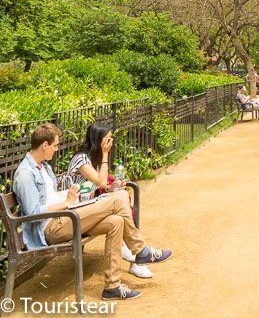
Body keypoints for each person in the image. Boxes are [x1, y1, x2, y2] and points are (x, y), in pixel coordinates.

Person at [13, 123, 173, 301]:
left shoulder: (44, 167)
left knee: (116, 222)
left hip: (65, 217)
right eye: (55, 145)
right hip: (50, 228)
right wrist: (66, 203)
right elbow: (33, 212)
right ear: (44, 145)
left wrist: (68, 196)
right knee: (119, 197)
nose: (57, 150)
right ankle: (141, 250)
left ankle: (112, 287)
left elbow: (49, 197)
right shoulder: (26, 174)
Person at [67, 122, 151, 280]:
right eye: (107, 140)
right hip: (75, 213)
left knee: (121, 203)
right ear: (97, 140)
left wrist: (112, 188)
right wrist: (105, 155)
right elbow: (100, 182)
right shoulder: (81, 159)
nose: (110, 143)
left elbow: (103, 184)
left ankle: (135, 255)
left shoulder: (93, 158)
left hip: (87, 207)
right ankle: (136, 253)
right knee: (121, 201)